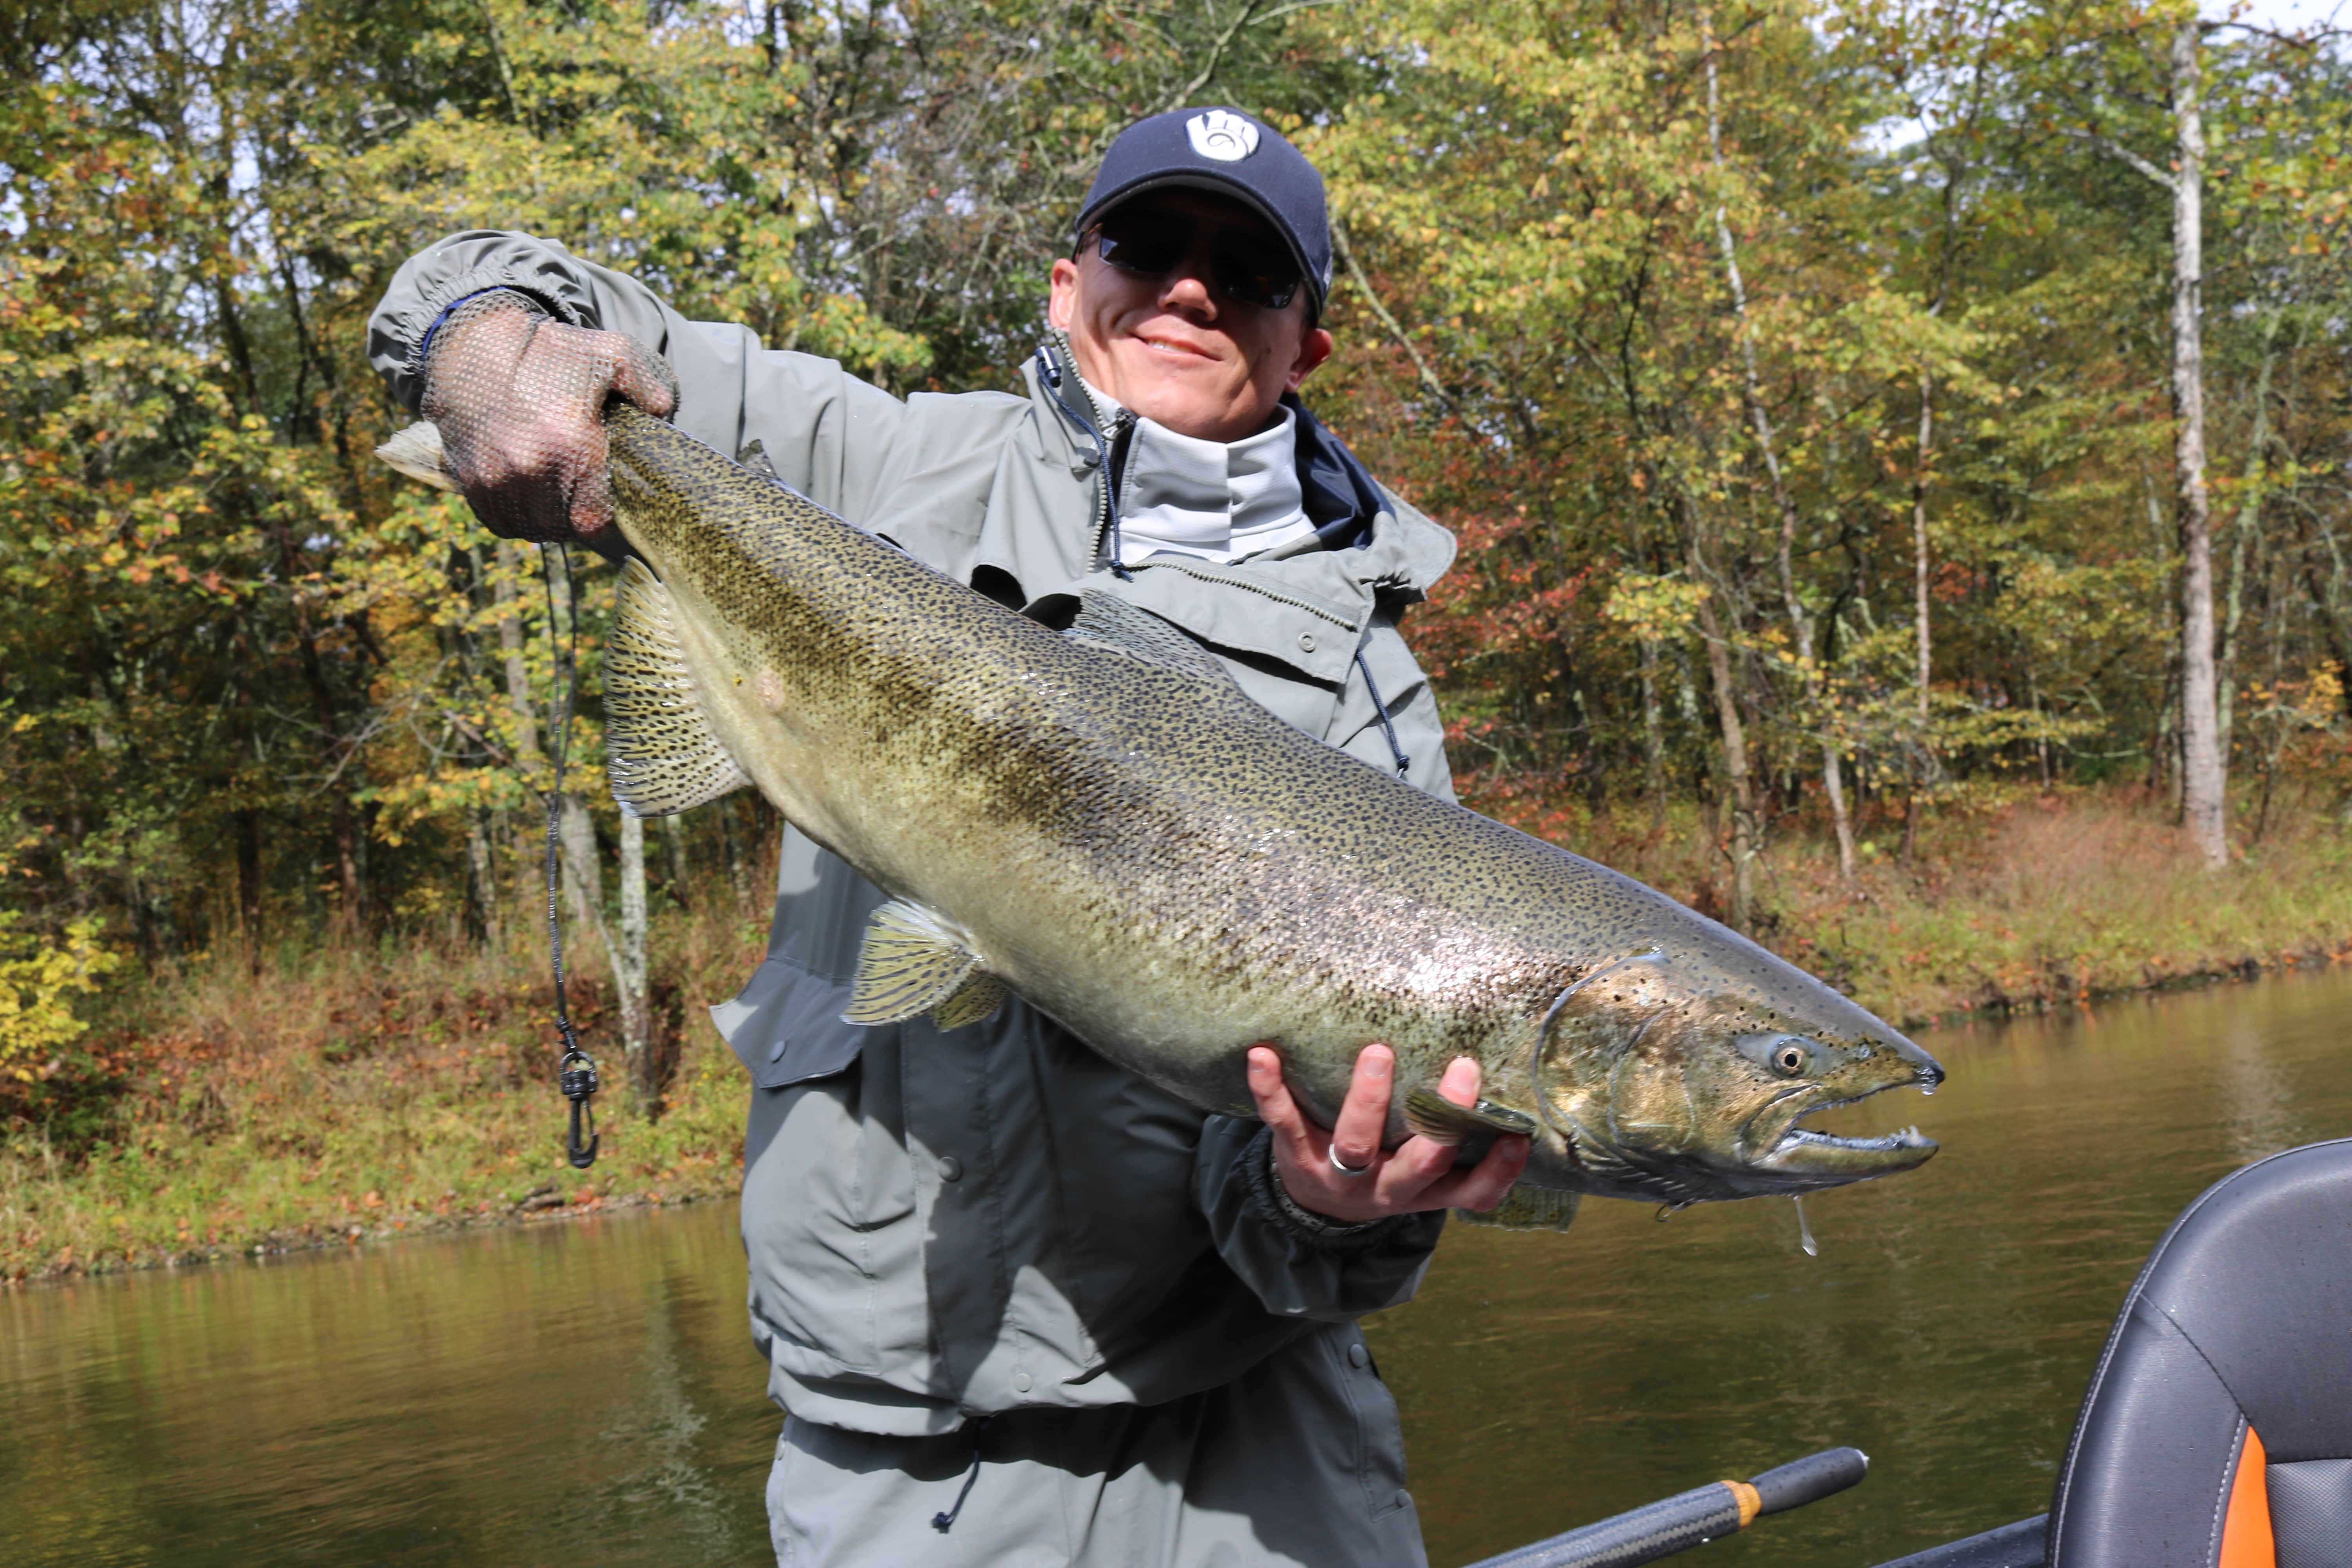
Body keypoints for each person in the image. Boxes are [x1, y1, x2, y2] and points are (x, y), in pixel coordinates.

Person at [367, 106, 1530, 1568]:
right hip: (897, 1462)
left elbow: (1325, 1209)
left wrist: (1333, 1209)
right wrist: (483, 346)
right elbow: (522, 299)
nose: (1190, 288)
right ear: (1069, 282)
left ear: (1307, 345)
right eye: (1149, 243)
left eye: (1251, 273)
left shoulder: (1369, 686)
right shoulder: (869, 465)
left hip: (1259, 1442)